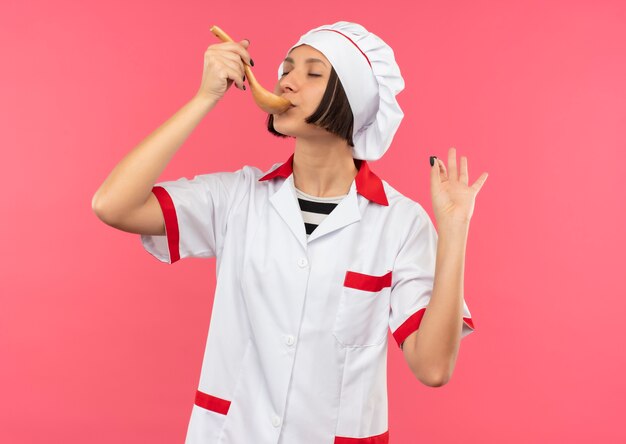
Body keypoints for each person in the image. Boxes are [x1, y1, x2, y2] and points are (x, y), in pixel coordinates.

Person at [92, 21, 487, 444]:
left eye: (313, 73)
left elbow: (432, 368)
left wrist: (455, 231)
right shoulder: (238, 198)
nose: (287, 82)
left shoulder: (400, 223)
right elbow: (113, 204)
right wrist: (205, 97)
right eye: (286, 68)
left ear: (351, 101)